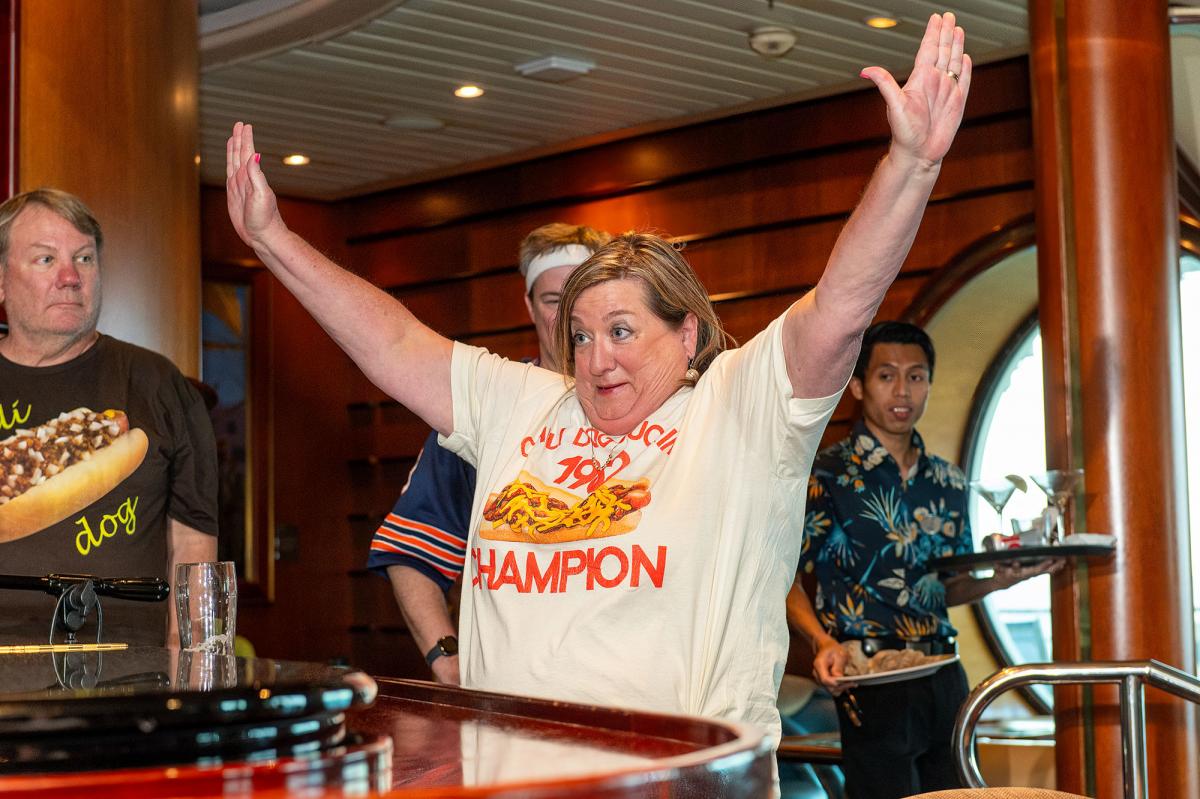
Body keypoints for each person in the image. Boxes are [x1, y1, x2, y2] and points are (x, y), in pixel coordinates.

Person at [225, 11, 971, 744]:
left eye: (621, 331)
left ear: (686, 333)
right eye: (579, 335)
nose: (595, 358)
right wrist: (272, 239)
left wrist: (912, 166)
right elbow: (391, 340)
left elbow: (841, 306)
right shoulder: (523, 402)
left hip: (680, 780)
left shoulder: (740, 408)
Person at [786, 321, 1060, 799]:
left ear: (929, 384)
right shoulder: (826, 475)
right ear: (858, 386)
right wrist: (821, 641)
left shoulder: (948, 481)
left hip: (945, 672)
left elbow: (944, 586)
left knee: (957, 796)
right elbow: (783, 578)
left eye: (916, 376)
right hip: (869, 677)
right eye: (886, 375)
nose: (903, 390)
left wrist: (999, 580)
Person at [366, 222, 610, 685]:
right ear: (529, 305)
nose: (568, 317)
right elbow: (410, 550)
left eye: (582, 296)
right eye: (553, 300)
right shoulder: (490, 405)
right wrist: (447, 658)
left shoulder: (648, 403)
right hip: (514, 697)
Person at [0, 189, 219, 647]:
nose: (70, 277)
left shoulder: (159, 384)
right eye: (45, 259)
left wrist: (190, 660)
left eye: (84, 258)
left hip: (131, 669)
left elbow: (193, 544)